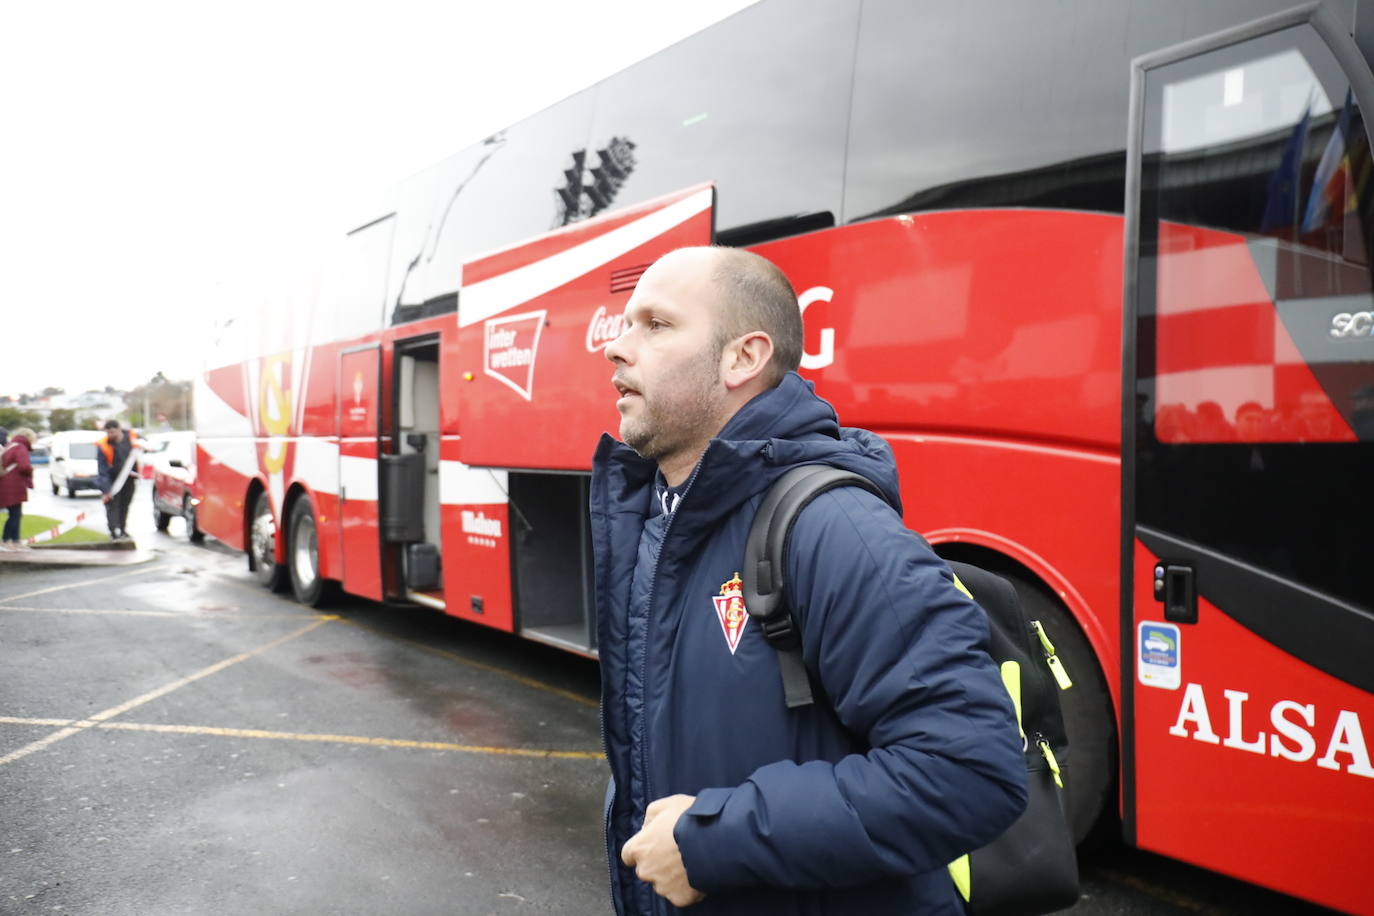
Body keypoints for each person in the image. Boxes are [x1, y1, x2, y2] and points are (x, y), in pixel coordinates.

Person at [592, 246, 1027, 915]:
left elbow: (969, 772)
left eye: (655, 324)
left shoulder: (837, 529)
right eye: (624, 324)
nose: (617, 348)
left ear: (744, 358)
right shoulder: (660, 521)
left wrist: (716, 842)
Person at [96, 420, 141, 540]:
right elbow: (102, 469)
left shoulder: (133, 438)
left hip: (129, 478)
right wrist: (106, 489)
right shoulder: (104, 446)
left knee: (125, 505)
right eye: (107, 432)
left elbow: (146, 448)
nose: (110, 435)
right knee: (112, 506)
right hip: (112, 480)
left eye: (112, 432)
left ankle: (123, 529)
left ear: (119, 429)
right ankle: (114, 531)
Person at [0, 427, 36, 548]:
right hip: (15, 484)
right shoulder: (21, 447)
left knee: (14, 513)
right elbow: (24, 466)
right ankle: (8, 540)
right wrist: (31, 470)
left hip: (5, 483)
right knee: (15, 514)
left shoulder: (10, 446)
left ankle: (14, 540)